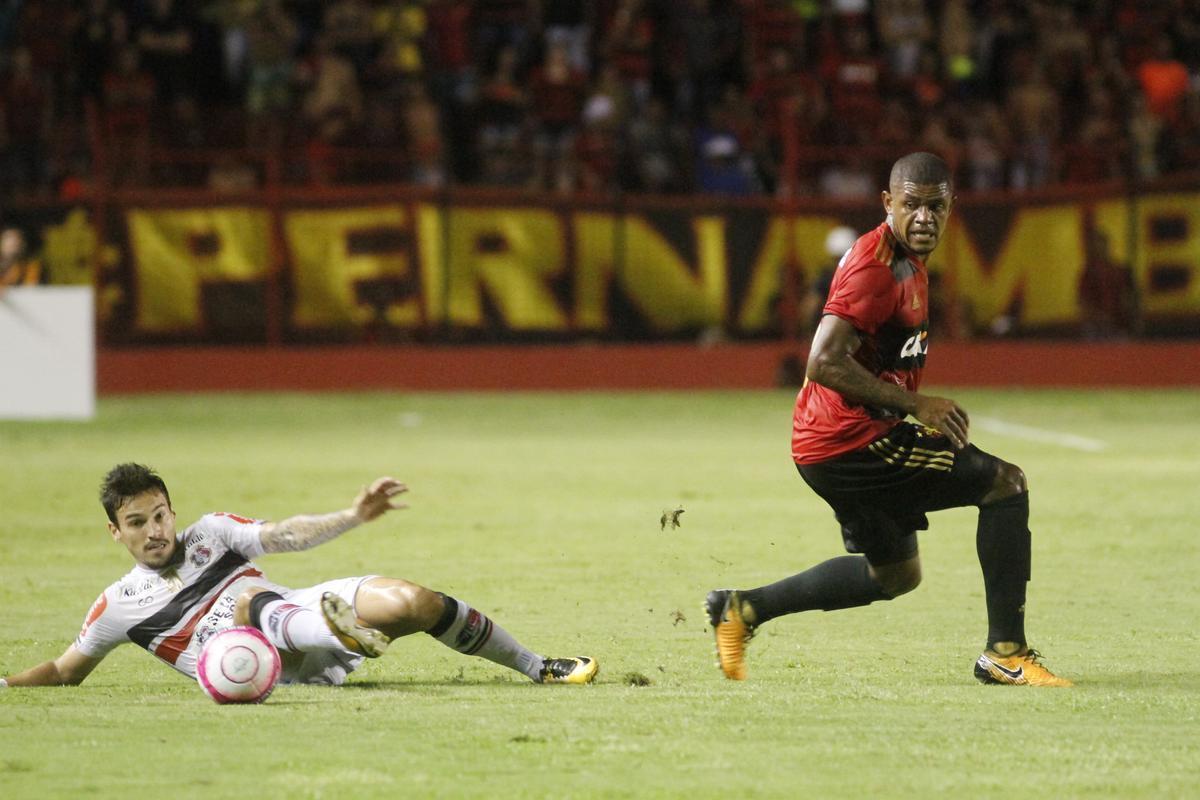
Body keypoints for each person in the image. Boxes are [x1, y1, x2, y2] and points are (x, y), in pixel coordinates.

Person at [705, 152, 1071, 687]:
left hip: (827, 443)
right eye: (912, 206)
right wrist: (917, 405)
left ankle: (742, 609)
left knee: (896, 576)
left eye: (936, 207)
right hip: (853, 441)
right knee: (1004, 484)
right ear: (887, 204)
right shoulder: (876, 268)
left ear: (951, 208)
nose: (924, 218)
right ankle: (1005, 652)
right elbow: (822, 361)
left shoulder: (905, 259)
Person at [0, 464, 597, 690]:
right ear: (116, 532)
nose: (156, 531)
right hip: (248, 664)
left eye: (161, 515)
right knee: (247, 604)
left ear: (172, 510)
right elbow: (61, 671)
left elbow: (284, 534)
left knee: (414, 600)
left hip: (294, 613)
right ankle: (336, 631)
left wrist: (353, 516)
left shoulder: (211, 533)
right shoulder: (118, 606)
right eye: (138, 523)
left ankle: (536, 666)